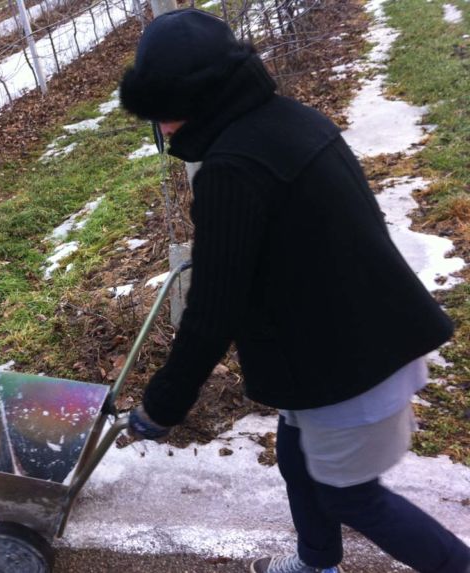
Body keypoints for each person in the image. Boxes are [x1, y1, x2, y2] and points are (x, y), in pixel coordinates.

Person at [118, 8, 470, 573]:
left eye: (161, 113)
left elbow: (212, 312)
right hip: (360, 332)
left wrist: (162, 405)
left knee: (352, 496)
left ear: (191, 103)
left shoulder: (233, 169)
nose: (159, 128)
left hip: (347, 364)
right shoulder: (296, 121)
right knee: (294, 456)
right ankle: (316, 563)